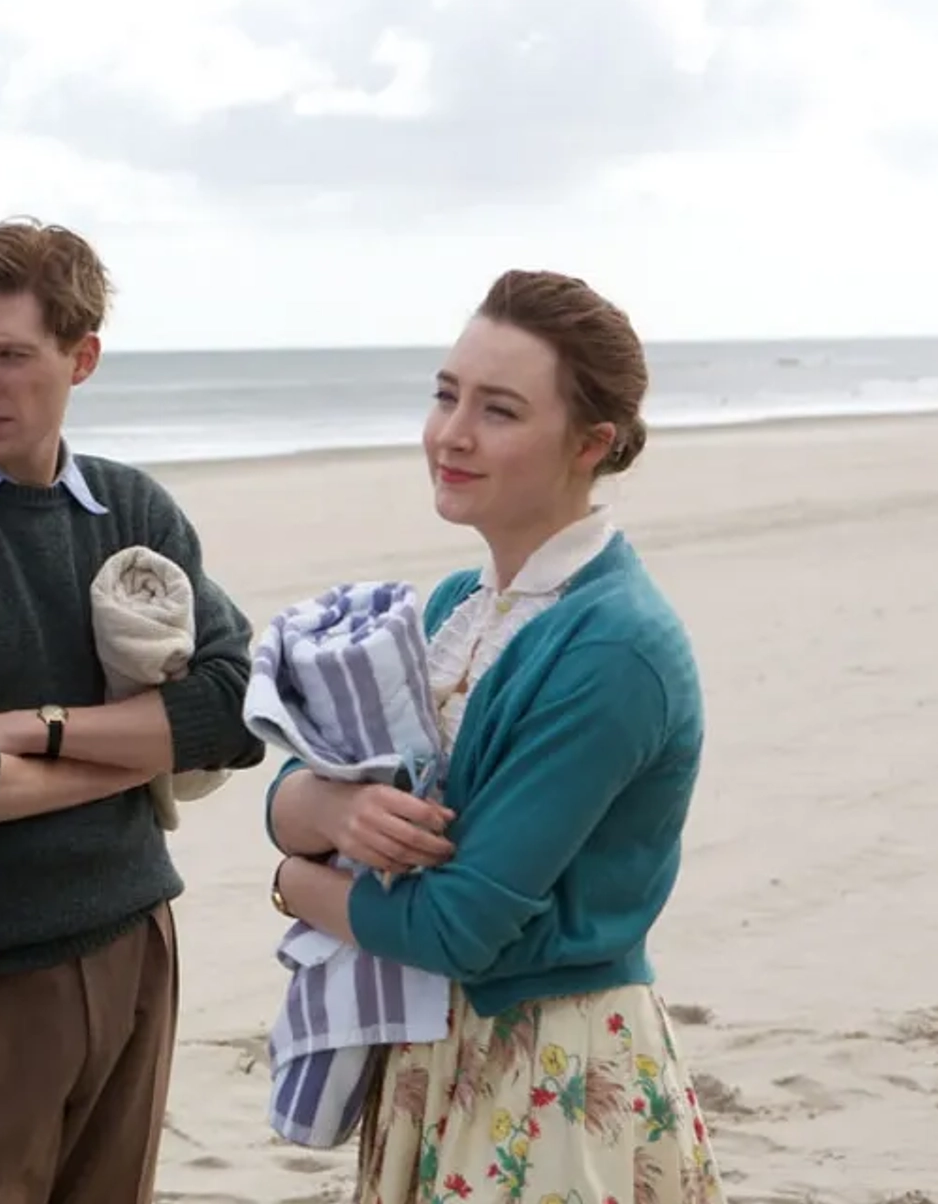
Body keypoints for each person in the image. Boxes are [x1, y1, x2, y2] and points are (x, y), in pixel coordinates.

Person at [264, 269, 724, 1204]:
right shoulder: (453, 611)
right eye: (446, 395)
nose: (451, 434)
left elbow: (462, 928)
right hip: (431, 1053)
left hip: (550, 1069)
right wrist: (323, 804)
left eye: (500, 410)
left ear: (591, 443)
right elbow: (308, 788)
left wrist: (292, 884)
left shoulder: (615, 647)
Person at [0, 218, 266, 1203]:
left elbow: (235, 710)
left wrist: (37, 727)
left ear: (80, 358)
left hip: (136, 935)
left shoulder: (131, 510)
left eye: (9, 355)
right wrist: (141, 751)